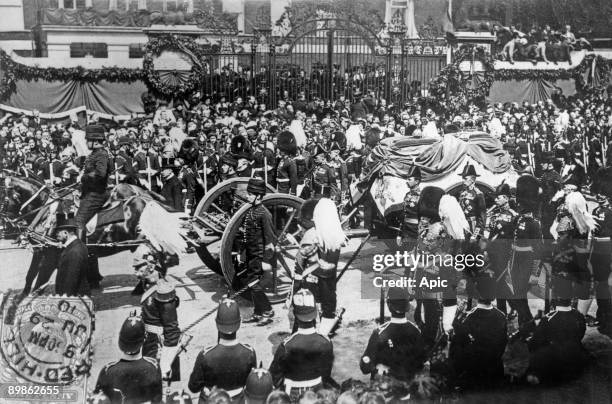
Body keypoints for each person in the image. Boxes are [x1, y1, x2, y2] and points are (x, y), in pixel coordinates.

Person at [269, 289, 335, 401]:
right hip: (317, 391)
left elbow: (274, 375)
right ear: (315, 313)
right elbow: (326, 373)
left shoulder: (286, 345)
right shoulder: (326, 342)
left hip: (292, 392)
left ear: (295, 315)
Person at [189, 298, 257, 402]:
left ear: (217, 324)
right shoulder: (249, 352)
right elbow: (251, 383)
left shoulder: (206, 355)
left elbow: (193, 387)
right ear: (239, 323)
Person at [449, 275, 508, 391]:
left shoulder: (468, 317)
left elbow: (458, 343)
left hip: (473, 372)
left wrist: (456, 316)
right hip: (495, 370)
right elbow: (503, 344)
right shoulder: (501, 316)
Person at [133, 243, 181, 382]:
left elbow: (172, 331)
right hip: (149, 344)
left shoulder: (163, 291)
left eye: (138, 267)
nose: (135, 272)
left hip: (161, 350)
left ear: (151, 266)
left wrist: (166, 362)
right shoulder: (147, 284)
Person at [526, 276, 589, 384]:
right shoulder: (579, 316)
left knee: (535, 352)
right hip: (575, 358)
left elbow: (534, 343)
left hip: (557, 360)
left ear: (555, 298)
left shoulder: (548, 318)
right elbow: (580, 335)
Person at [359, 286, 426, 381]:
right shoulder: (416, 331)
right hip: (407, 386)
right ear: (407, 307)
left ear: (388, 305)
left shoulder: (379, 333)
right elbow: (421, 362)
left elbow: (365, 368)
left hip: (384, 388)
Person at [94, 314, 163, 403]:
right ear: (144, 339)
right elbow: (157, 399)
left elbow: (97, 400)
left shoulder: (108, 370)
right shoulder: (154, 367)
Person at [242, 178, 275, 325]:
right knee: (251, 284)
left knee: (254, 285)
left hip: (259, 256)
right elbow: (246, 235)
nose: (247, 196)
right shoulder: (252, 211)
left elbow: (270, 240)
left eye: (250, 194)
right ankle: (258, 312)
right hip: (251, 254)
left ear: (259, 196)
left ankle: (267, 310)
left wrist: (266, 260)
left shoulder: (264, 213)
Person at [484, 183, 517, 315]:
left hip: (503, 253)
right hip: (492, 251)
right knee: (498, 282)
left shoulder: (513, 215)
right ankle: (513, 306)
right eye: (496, 197)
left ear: (507, 198)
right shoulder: (494, 213)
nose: (496, 199)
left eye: (499, 197)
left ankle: (503, 311)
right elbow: (491, 233)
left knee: (500, 282)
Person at [54, 212, 90, 296]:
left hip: (74, 298)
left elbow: (72, 278)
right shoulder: (75, 246)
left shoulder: (75, 251)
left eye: (58, 232)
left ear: (65, 233)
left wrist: (66, 297)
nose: (56, 235)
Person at [458, 164, 486, 242]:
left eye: (465, 178)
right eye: (462, 178)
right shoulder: (462, 193)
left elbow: (482, 217)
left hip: (473, 227)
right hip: (463, 226)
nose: (463, 181)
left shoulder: (478, 194)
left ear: (473, 179)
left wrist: (475, 235)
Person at [397, 165, 422, 251]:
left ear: (417, 181)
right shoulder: (407, 195)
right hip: (405, 231)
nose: (407, 181)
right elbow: (403, 215)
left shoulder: (421, 196)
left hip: (415, 232)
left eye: (409, 179)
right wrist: (399, 234)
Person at [276, 131, 299, 195]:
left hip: (285, 187)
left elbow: (293, 178)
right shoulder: (282, 159)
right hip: (279, 186)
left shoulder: (290, 161)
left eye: (281, 150)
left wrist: (293, 191)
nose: (280, 151)